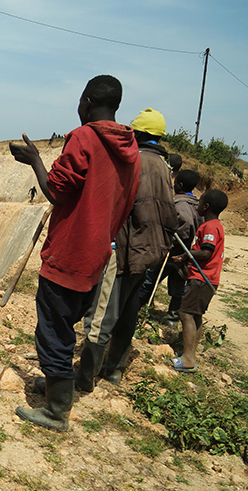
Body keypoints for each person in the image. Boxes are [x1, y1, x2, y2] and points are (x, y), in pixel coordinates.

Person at [8, 75, 141, 431]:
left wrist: (36, 160)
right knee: (66, 325)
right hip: (98, 256)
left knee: (52, 330)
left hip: (68, 253)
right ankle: (57, 385)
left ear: (85, 101)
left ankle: (55, 411)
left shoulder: (83, 137)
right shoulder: (132, 151)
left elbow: (56, 191)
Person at [71, 108, 177, 391]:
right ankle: (114, 368)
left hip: (126, 250)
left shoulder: (136, 162)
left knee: (101, 316)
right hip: (152, 252)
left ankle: (83, 379)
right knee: (129, 311)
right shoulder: (165, 167)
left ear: (140, 134)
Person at [171, 189, 227, 373]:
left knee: (186, 314)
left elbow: (206, 252)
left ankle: (187, 359)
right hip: (207, 279)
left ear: (206, 206)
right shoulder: (214, 225)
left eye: (200, 202)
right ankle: (190, 353)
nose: (198, 206)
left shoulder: (210, 227)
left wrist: (185, 256)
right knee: (195, 316)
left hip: (201, 278)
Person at [137, 169, 203, 327]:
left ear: (179, 184)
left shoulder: (180, 204)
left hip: (170, 251)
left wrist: (172, 236)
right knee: (177, 286)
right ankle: (171, 316)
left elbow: (185, 223)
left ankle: (138, 308)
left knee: (150, 281)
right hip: (186, 254)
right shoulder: (197, 206)